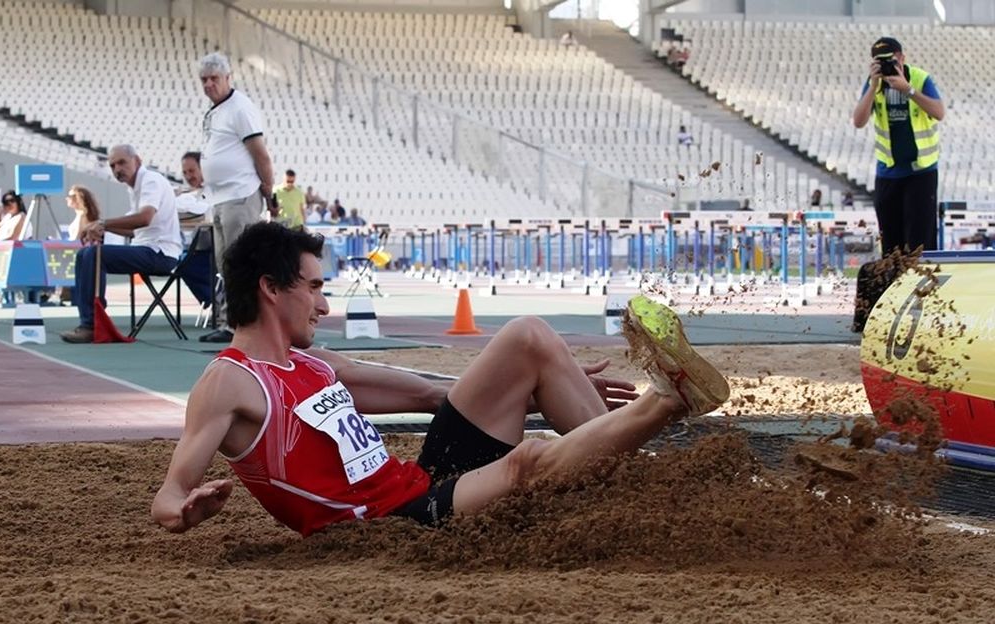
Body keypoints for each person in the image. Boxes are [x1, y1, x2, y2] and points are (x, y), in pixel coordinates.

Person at [150, 223, 730, 536]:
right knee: (525, 463)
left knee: (526, 337)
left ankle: (637, 478)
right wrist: (184, 511)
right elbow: (168, 495)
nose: (324, 304)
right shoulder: (228, 383)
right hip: (387, 525)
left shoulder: (315, 365)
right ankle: (665, 403)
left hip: (421, 481)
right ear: (272, 290)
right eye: (316, 287)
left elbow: (432, 393)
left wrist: (548, 382)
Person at [851, 37, 944, 334]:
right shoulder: (873, 84)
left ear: (902, 57)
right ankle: (890, 311)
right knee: (890, 246)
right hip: (889, 174)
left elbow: (939, 112)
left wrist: (908, 90)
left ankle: (924, 312)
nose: (888, 65)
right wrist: (873, 85)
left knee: (920, 245)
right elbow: (858, 120)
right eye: (880, 61)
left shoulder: (920, 78)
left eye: (891, 59)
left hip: (921, 173)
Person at [59, 144, 182, 344]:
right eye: (113, 166)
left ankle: (90, 324)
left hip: (161, 254)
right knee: (84, 254)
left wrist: (103, 223)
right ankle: (88, 320)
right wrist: (102, 228)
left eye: (122, 162)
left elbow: (144, 218)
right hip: (147, 248)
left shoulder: (150, 180)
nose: (117, 169)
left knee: (92, 255)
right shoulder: (135, 188)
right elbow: (137, 231)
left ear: (138, 161)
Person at [198, 52, 277, 345]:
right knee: (225, 264)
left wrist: (268, 191)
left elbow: (260, 153)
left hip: (240, 194)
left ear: (228, 78)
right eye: (204, 80)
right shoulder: (217, 110)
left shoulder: (240, 108)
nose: (208, 84)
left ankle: (243, 324)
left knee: (239, 261)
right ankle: (232, 322)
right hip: (221, 196)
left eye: (214, 79)